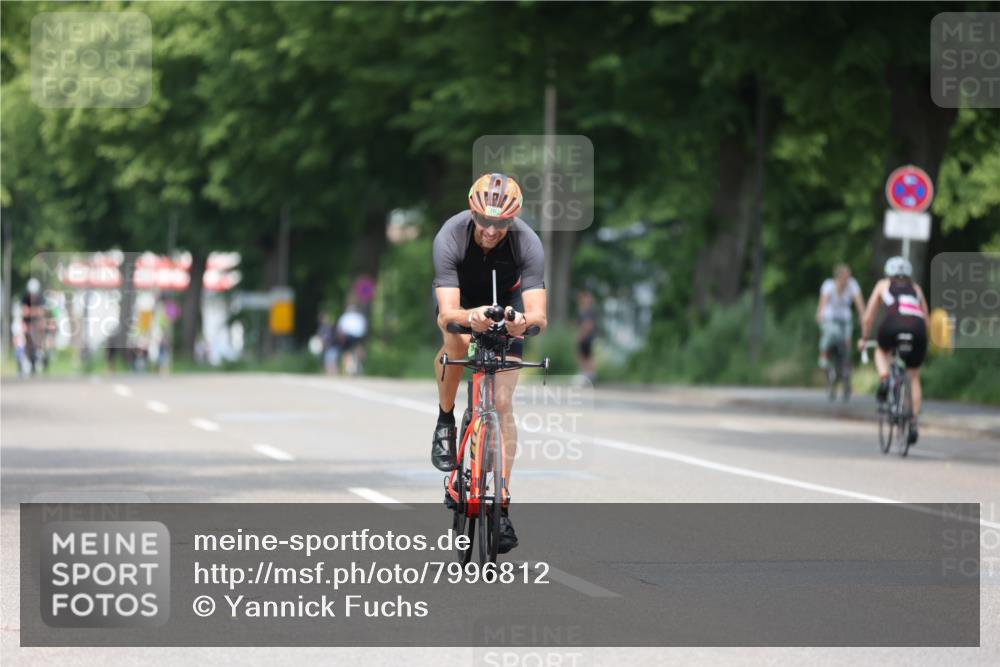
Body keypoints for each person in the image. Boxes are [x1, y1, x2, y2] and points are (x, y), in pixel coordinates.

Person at [431, 173, 547, 554]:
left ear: (513, 219)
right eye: (483, 220)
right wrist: (472, 317)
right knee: (454, 337)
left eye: (501, 223)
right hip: (462, 304)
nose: (491, 230)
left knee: (502, 403)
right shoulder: (450, 236)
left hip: (506, 308)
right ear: (472, 212)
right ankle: (446, 419)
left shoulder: (528, 243)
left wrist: (520, 321)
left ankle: (501, 503)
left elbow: (539, 317)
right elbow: (446, 313)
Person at [858, 256, 929, 445]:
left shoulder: (883, 285)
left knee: (881, 351)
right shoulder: (916, 289)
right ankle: (913, 423)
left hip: (893, 325)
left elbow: (868, 317)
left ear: (888, 273)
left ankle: (884, 379)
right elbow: (927, 319)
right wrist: (925, 341)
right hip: (917, 328)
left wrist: (864, 338)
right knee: (913, 377)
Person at [815, 264, 865, 397]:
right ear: (838, 277)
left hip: (845, 319)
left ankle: (846, 375)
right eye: (845, 277)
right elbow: (823, 303)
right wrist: (820, 314)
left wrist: (863, 317)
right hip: (830, 319)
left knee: (846, 346)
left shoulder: (852, 285)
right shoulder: (829, 285)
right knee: (830, 335)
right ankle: (824, 357)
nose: (847, 280)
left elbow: (859, 303)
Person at [336, 302, 368, 376]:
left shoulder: (345, 316)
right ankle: (355, 366)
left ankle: (349, 367)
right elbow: (364, 328)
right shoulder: (359, 317)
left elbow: (340, 329)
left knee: (347, 352)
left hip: (349, 337)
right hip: (357, 337)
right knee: (356, 351)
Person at [576, 289, 599, 384]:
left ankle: (589, 376)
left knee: (587, 357)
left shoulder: (590, 311)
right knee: (582, 356)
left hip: (588, 337)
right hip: (585, 337)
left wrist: (581, 335)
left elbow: (589, 325)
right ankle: (586, 375)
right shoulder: (582, 311)